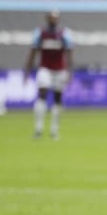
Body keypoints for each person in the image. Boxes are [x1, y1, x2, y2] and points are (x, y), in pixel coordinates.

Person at [23, 10, 73, 140]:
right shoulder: (40, 33)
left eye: (55, 18)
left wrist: (69, 72)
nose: (53, 20)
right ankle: (38, 128)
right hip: (45, 69)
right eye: (51, 18)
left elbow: (69, 53)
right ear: (47, 19)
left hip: (60, 70)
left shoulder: (64, 34)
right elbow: (32, 53)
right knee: (42, 95)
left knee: (57, 98)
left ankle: (54, 130)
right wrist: (27, 72)